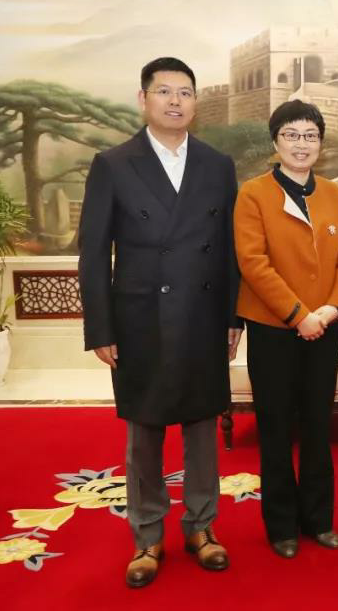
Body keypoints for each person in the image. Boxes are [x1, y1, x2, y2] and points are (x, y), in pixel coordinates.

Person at [78, 57, 241, 587]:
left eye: (185, 92)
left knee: (202, 426)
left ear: (196, 102)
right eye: (164, 91)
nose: (175, 101)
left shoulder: (218, 165)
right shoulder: (113, 164)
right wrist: (101, 328)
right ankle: (147, 534)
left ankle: (201, 526)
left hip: (203, 315)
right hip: (139, 317)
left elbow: (231, 251)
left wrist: (233, 317)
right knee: (144, 430)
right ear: (143, 99)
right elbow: (93, 252)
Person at [233, 100, 338, 557]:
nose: (301, 144)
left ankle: (319, 520)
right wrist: (297, 315)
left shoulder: (333, 195)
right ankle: (281, 526)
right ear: (276, 141)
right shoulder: (253, 194)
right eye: (291, 135)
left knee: (317, 426)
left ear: (320, 143)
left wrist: (331, 309)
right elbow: (253, 263)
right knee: (274, 428)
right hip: (272, 328)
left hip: (324, 326)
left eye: (310, 135)